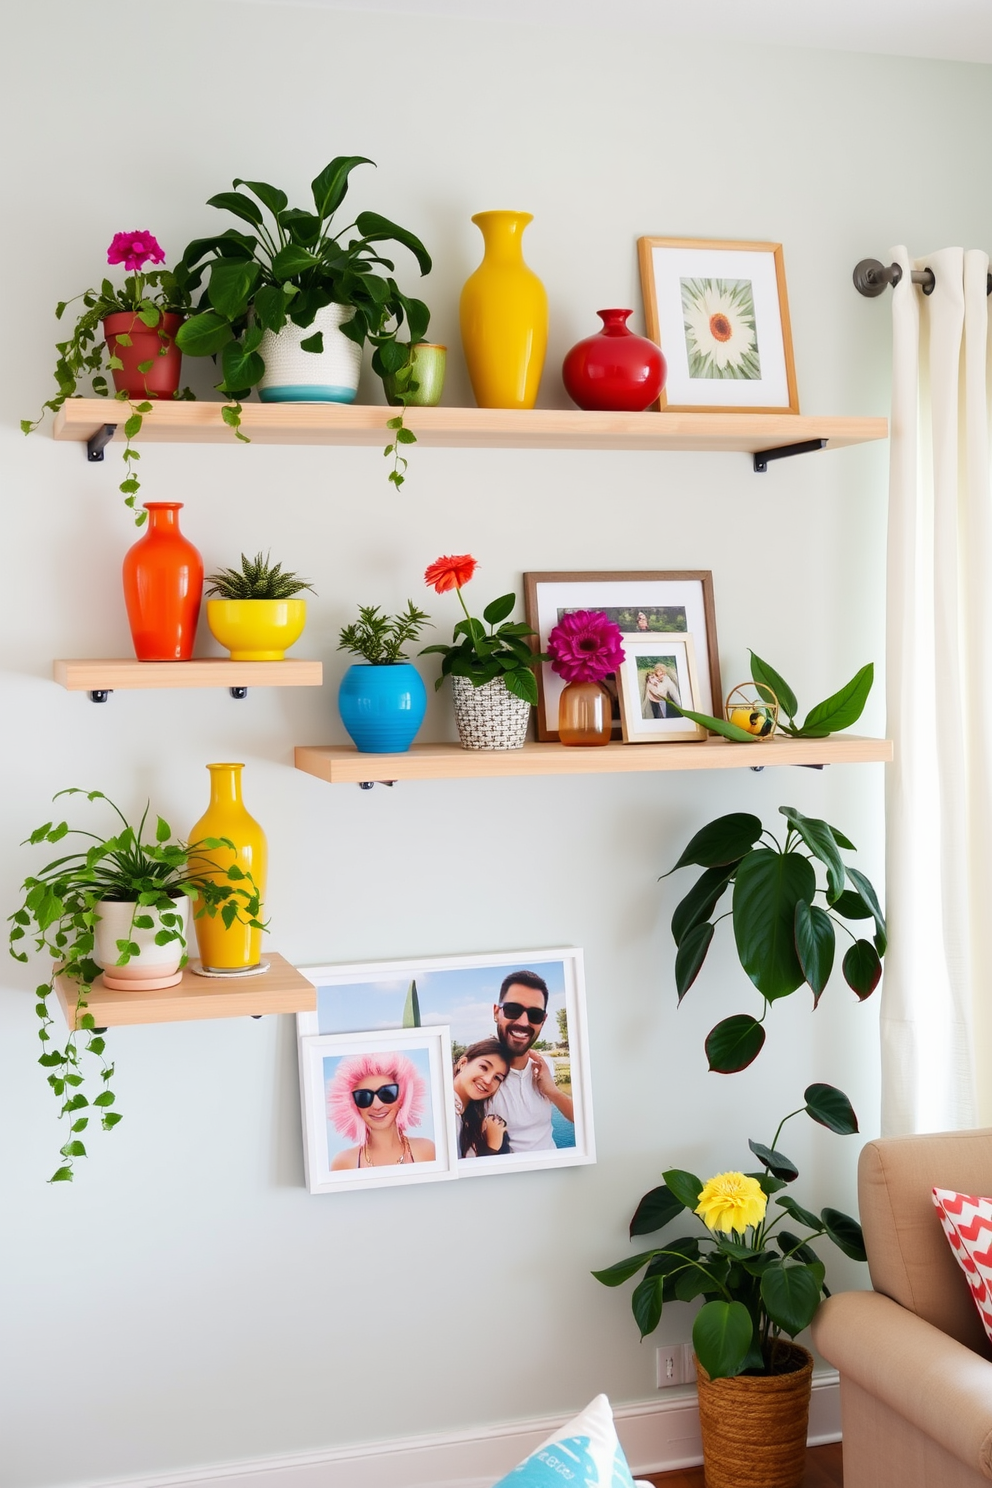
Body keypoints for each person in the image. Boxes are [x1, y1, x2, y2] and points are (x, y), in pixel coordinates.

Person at [488, 970, 574, 1152]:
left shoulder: (546, 1066)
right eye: (513, 1010)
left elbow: (585, 1119)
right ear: (496, 1012)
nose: (524, 1022)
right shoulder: (481, 1077)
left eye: (535, 1015)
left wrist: (553, 1091)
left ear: (543, 1020)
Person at [327, 1051, 436, 1169]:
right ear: (353, 1105)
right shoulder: (343, 1163)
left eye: (387, 1093)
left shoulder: (427, 1150)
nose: (377, 1105)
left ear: (403, 1096)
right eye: (363, 1097)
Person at [452, 1039, 511, 1158]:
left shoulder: (467, 1116)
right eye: (484, 1067)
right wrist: (492, 1146)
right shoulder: (441, 1109)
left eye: (497, 1078)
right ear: (463, 1063)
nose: (488, 1080)